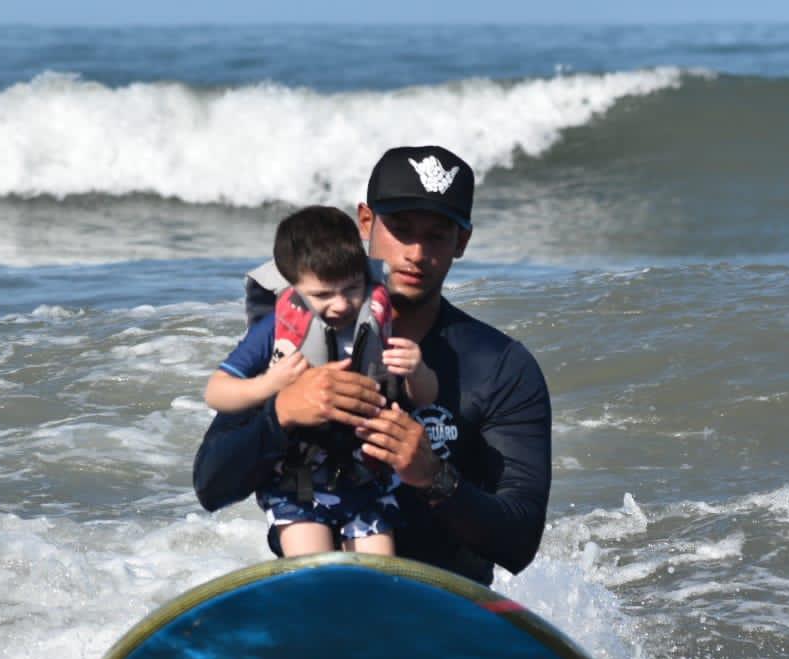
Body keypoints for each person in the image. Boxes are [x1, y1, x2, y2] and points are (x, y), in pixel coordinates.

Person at [193, 145, 552, 584]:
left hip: (443, 611)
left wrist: (434, 477)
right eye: (400, 230)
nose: (416, 253)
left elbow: (519, 541)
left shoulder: (500, 367)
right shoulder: (291, 340)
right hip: (317, 598)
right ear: (366, 222)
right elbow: (211, 486)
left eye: (437, 235)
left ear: (461, 242)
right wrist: (281, 414)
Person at [203, 205, 438, 557]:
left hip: (365, 477)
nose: (341, 304)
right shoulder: (277, 329)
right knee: (311, 566)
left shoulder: (378, 319)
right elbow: (216, 392)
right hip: (298, 483)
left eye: (352, 288)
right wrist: (271, 384)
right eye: (323, 295)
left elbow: (425, 398)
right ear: (293, 285)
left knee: (380, 569)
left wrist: (418, 371)